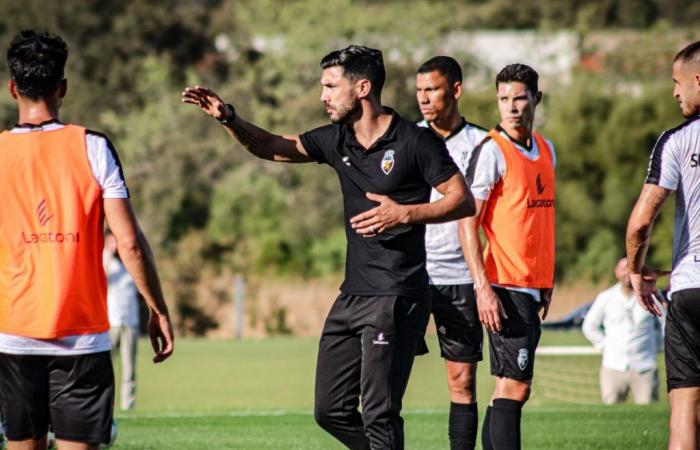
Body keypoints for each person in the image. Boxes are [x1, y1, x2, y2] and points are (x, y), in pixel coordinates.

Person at [182, 45, 475, 449]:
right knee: (330, 410)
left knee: (379, 413)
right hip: (352, 295)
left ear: (363, 87)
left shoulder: (414, 141)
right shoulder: (336, 140)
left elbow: (462, 199)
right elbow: (273, 147)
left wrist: (404, 214)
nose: (323, 96)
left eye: (331, 86)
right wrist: (229, 118)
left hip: (397, 295)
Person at [0, 30, 174, 450]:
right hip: (82, 339)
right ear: (63, 87)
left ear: (12, 88)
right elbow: (129, 242)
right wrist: (157, 308)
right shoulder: (93, 147)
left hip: (12, 336)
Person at [460, 63, 555, 450]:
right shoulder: (491, 152)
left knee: (510, 385)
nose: (511, 107)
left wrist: (548, 278)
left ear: (536, 98)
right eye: (503, 99)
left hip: (532, 286)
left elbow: (543, 220)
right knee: (514, 386)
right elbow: (468, 223)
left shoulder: (547, 149)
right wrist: (483, 289)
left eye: (519, 97)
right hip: (504, 284)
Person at [626, 40, 700, 450]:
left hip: (690, 290)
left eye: (677, 82)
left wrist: (637, 272)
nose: (674, 92)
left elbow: (640, 223)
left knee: (685, 405)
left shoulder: (677, 140)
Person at [416, 56, 487, 450]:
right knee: (385, 377)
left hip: (459, 277)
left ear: (455, 90)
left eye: (433, 90)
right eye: (420, 91)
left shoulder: (482, 143)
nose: (424, 99)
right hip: (409, 275)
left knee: (462, 381)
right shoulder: (406, 137)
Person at [582, 257, 664, 405]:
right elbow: (589, 326)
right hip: (613, 366)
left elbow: (666, 324)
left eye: (632, 268)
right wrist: (605, 345)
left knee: (648, 415)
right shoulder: (605, 297)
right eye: (623, 268)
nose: (627, 272)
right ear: (616, 272)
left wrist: (657, 345)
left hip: (645, 366)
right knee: (611, 416)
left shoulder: (652, 296)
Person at [104, 231, 140, 411]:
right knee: (105, 370)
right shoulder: (105, 260)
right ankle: (105, 404)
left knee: (129, 369)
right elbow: (101, 278)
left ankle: (128, 405)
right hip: (110, 323)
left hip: (130, 323)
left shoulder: (129, 262)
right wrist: (108, 253)